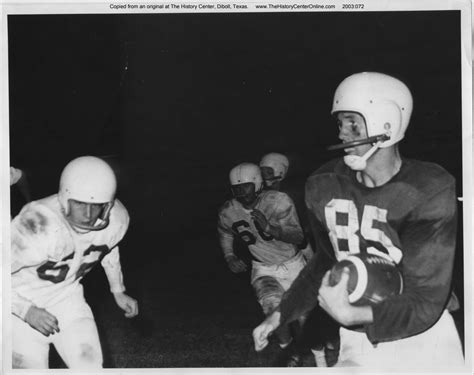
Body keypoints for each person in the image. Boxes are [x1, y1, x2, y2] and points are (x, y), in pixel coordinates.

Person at [252, 72, 464, 369]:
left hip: (423, 339)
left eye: (353, 123)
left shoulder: (427, 189)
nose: (341, 134)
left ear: (386, 125)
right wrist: (281, 314)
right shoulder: (325, 185)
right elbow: (326, 263)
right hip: (356, 337)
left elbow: (426, 301)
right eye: (340, 123)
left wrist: (356, 314)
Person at [11, 156, 139, 369]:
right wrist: (26, 311)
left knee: (90, 366)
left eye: (96, 206)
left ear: (107, 206)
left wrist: (117, 289)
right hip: (18, 303)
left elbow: (108, 245)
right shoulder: (38, 226)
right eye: (80, 204)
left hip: (67, 299)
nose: (88, 215)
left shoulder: (115, 219)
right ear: (64, 199)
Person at [217, 162, 306, 355]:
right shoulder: (228, 210)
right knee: (272, 309)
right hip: (263, 268)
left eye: (246, 186)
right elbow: (225, 232)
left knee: (305, 316)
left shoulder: (278, 201)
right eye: (237, 188)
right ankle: (289, 353)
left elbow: (298, 237)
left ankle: (321, 358)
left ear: (258, 184)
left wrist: (269, 229)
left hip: (294, 264)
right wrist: (229, 256)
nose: (241, 192)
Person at [259, 152, 339, 367]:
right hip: (280, 254)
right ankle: (299, 349)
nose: (262, 176)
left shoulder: (292, 192)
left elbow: (304, 227)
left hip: (303, 247)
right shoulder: (263, 196)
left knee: (315, 292)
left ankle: (326, 337)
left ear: (280, 171)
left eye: (267, 171)